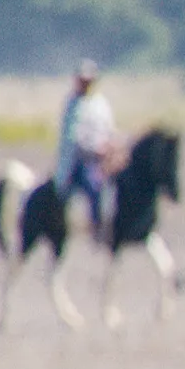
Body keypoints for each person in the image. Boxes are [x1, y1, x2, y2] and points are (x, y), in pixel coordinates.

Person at [54, 60, 118, 241]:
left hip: (102, 158)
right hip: (80, 160)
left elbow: (109, 128)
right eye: (83, 80)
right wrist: (95, 148)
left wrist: (112, 146)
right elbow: (73, 137)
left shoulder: (100, 104)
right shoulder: (73, 104)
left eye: (89, 81)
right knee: (93, 185)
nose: (86, 84)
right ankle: (91, 228)